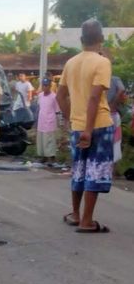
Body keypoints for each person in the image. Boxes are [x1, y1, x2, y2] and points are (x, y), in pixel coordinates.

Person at [57, 19, 113, 233]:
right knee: (95, 171)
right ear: (101, 39)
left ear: (81, 40)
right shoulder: (102, 62)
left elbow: (60, 96)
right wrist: (89, 130)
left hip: (78, 126)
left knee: (79, 169)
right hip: (98, 126)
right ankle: (87, 221)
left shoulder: (71, 63)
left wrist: (72, 119)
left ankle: (75, 214)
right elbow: (94, 98)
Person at [36, 78, 60, 164]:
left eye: (46, 85)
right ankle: (43, 156)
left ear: (49, 86)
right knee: (41, 139)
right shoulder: (40, 95)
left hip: (50, 121)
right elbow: (39, 107)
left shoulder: (54, 96)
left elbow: (57, 110)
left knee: (49, 140)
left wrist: (58, 123)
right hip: (41, 120)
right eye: (43, 85)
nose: (44, 87)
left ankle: (51, 157)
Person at [107, 75, 125, 163]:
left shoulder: (95, 78)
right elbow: (121, 89)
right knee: (115, 142)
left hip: (98, 114)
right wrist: (114, 104)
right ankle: (111, 170)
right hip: (112, 113)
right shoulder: (114, 79)